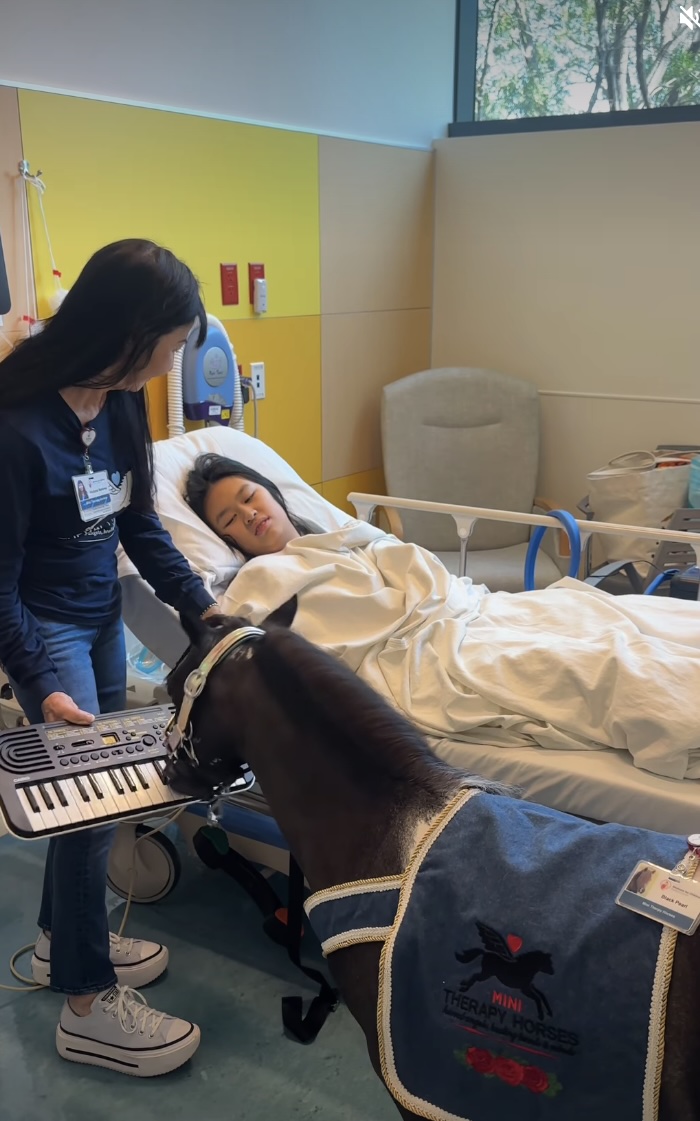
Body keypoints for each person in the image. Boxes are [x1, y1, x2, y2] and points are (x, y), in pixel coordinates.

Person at [0, 240, 224, 1077]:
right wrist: (37, 679)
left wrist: (204, 609)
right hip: (41, 624)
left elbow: (139, 528)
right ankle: (88, 1007)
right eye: (167, 346)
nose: (172, 363)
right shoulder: (17, 426)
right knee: (89, 805)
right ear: (124, 332)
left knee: (83, 808)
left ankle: (65, 943)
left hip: (97, 611)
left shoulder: (123, 403)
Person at [183, 453, 700, 785]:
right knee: (601, 665)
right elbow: (285, 651)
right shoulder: (256, 583)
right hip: (423, 657)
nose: (249, 515)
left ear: (271, 492)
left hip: (470, 612)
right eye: (230, 519)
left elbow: (421, 570)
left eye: (249, 498)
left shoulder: (341, 536)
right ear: (229, 539)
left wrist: (438, 600)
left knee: (611, 613)